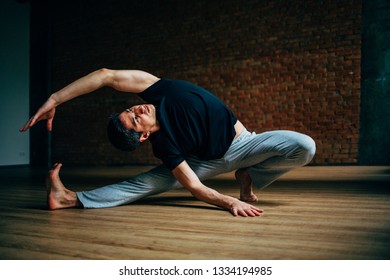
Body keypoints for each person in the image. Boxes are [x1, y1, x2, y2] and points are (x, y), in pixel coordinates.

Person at [20, 68, 316, 217]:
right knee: (145, 184)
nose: (137, 110)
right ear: (145, 135)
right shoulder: (166, 146)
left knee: (304, 146)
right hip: (203, 164)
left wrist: (55, 98)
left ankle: (250, 175)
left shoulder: (157, 91)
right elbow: (195, 187)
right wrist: (229, 202)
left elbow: (105, 76)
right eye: (135, 120)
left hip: (242, 145)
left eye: (130, 110)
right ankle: (68, 198)